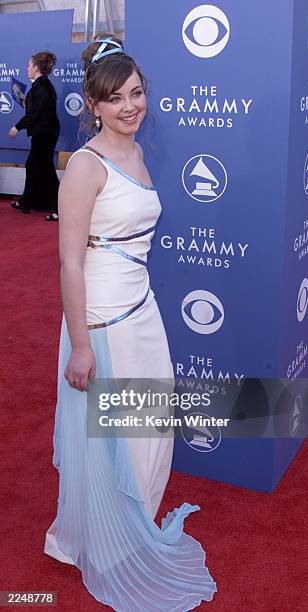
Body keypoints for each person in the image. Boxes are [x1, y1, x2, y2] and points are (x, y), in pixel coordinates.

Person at [44, 36, 216, 610]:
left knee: (149, 427)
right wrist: (81, 347)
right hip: (103, 321)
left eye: (137, 94)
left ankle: (132, 523)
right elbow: (70, 260)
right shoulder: (85, 167)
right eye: (114, 98)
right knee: (113, 436)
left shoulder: (138, 154)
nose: (129, 106)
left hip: (141, 309)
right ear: (93, 105)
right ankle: (103, 540)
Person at [8, 51, 60, 221]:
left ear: (36, 68)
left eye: (29, 65)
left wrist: (17, 126)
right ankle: (29, 202)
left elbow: (36, 112)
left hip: (45, 132)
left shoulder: (42, 87)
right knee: (36, 167)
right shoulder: (41, 86)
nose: (27, 68)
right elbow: (37, 108)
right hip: (44, 132)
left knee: (43, 169)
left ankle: (59, 207)